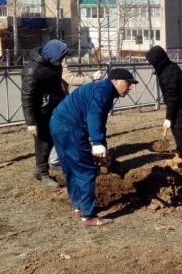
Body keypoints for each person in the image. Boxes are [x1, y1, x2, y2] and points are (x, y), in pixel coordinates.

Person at [49, 68, 138, 227]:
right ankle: (89, 216)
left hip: (58, 123)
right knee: (86, 170)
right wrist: (96, 142)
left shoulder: (102, 89)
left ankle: (78, 206)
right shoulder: (104, 91)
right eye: (128, 83)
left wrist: (102, 144)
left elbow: (100, 121)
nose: (129, 88)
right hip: (70, 128)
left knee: (70, 168)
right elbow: (94, 115)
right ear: (116, 81)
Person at [21, 39, 69, 187]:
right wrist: (30, 122)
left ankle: (55, 163)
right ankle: (41, 172)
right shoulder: (32, 70)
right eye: (60, 57)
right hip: (40, 111)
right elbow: (27, 97)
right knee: (44, 141)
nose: (62, 60)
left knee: (58, 136)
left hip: (56, 106)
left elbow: (57, 86)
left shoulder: (54, 64)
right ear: (51, 55)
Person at [145, 45, 182, 169]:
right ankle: (179, 154)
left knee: (179, 130)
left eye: (152, 62)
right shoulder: (165, 69)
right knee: (176, 129)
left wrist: (168, 118)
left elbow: (173, 98)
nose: (151, 65)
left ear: (158, 61)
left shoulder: (169, 73)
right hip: (180, 104)